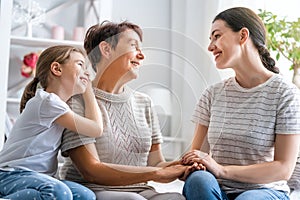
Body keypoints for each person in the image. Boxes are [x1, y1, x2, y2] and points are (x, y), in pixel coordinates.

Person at [59, 21, 193, 200]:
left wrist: (183, 165)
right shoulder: (77, 101)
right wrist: (154, 173)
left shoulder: (144, 103)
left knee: (177, 199)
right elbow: (90, 170)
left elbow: (156, 163)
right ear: (106, 49)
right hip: (92, 190)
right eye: (133, 46)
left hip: (139, 190)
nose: (142, 55)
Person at [181, 7, 300, 200]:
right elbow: (198, 155)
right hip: (215, 190)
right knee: (199, 180)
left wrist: (222, 170)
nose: (210, 46)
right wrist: (192, 164)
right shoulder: (212, 94)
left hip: (265, 191)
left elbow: (283, 168)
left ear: (243, 35)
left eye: (216, 36)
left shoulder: (285, 94)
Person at [0, 45, 103, 200]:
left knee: (85, 196)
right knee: (58, 192)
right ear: (56, 69)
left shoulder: (57, 105)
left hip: (36, 177)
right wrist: (89, 91)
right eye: (80, 65)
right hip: (10, 174)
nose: (86, 72)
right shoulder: (48, 101)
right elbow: (96, 128)